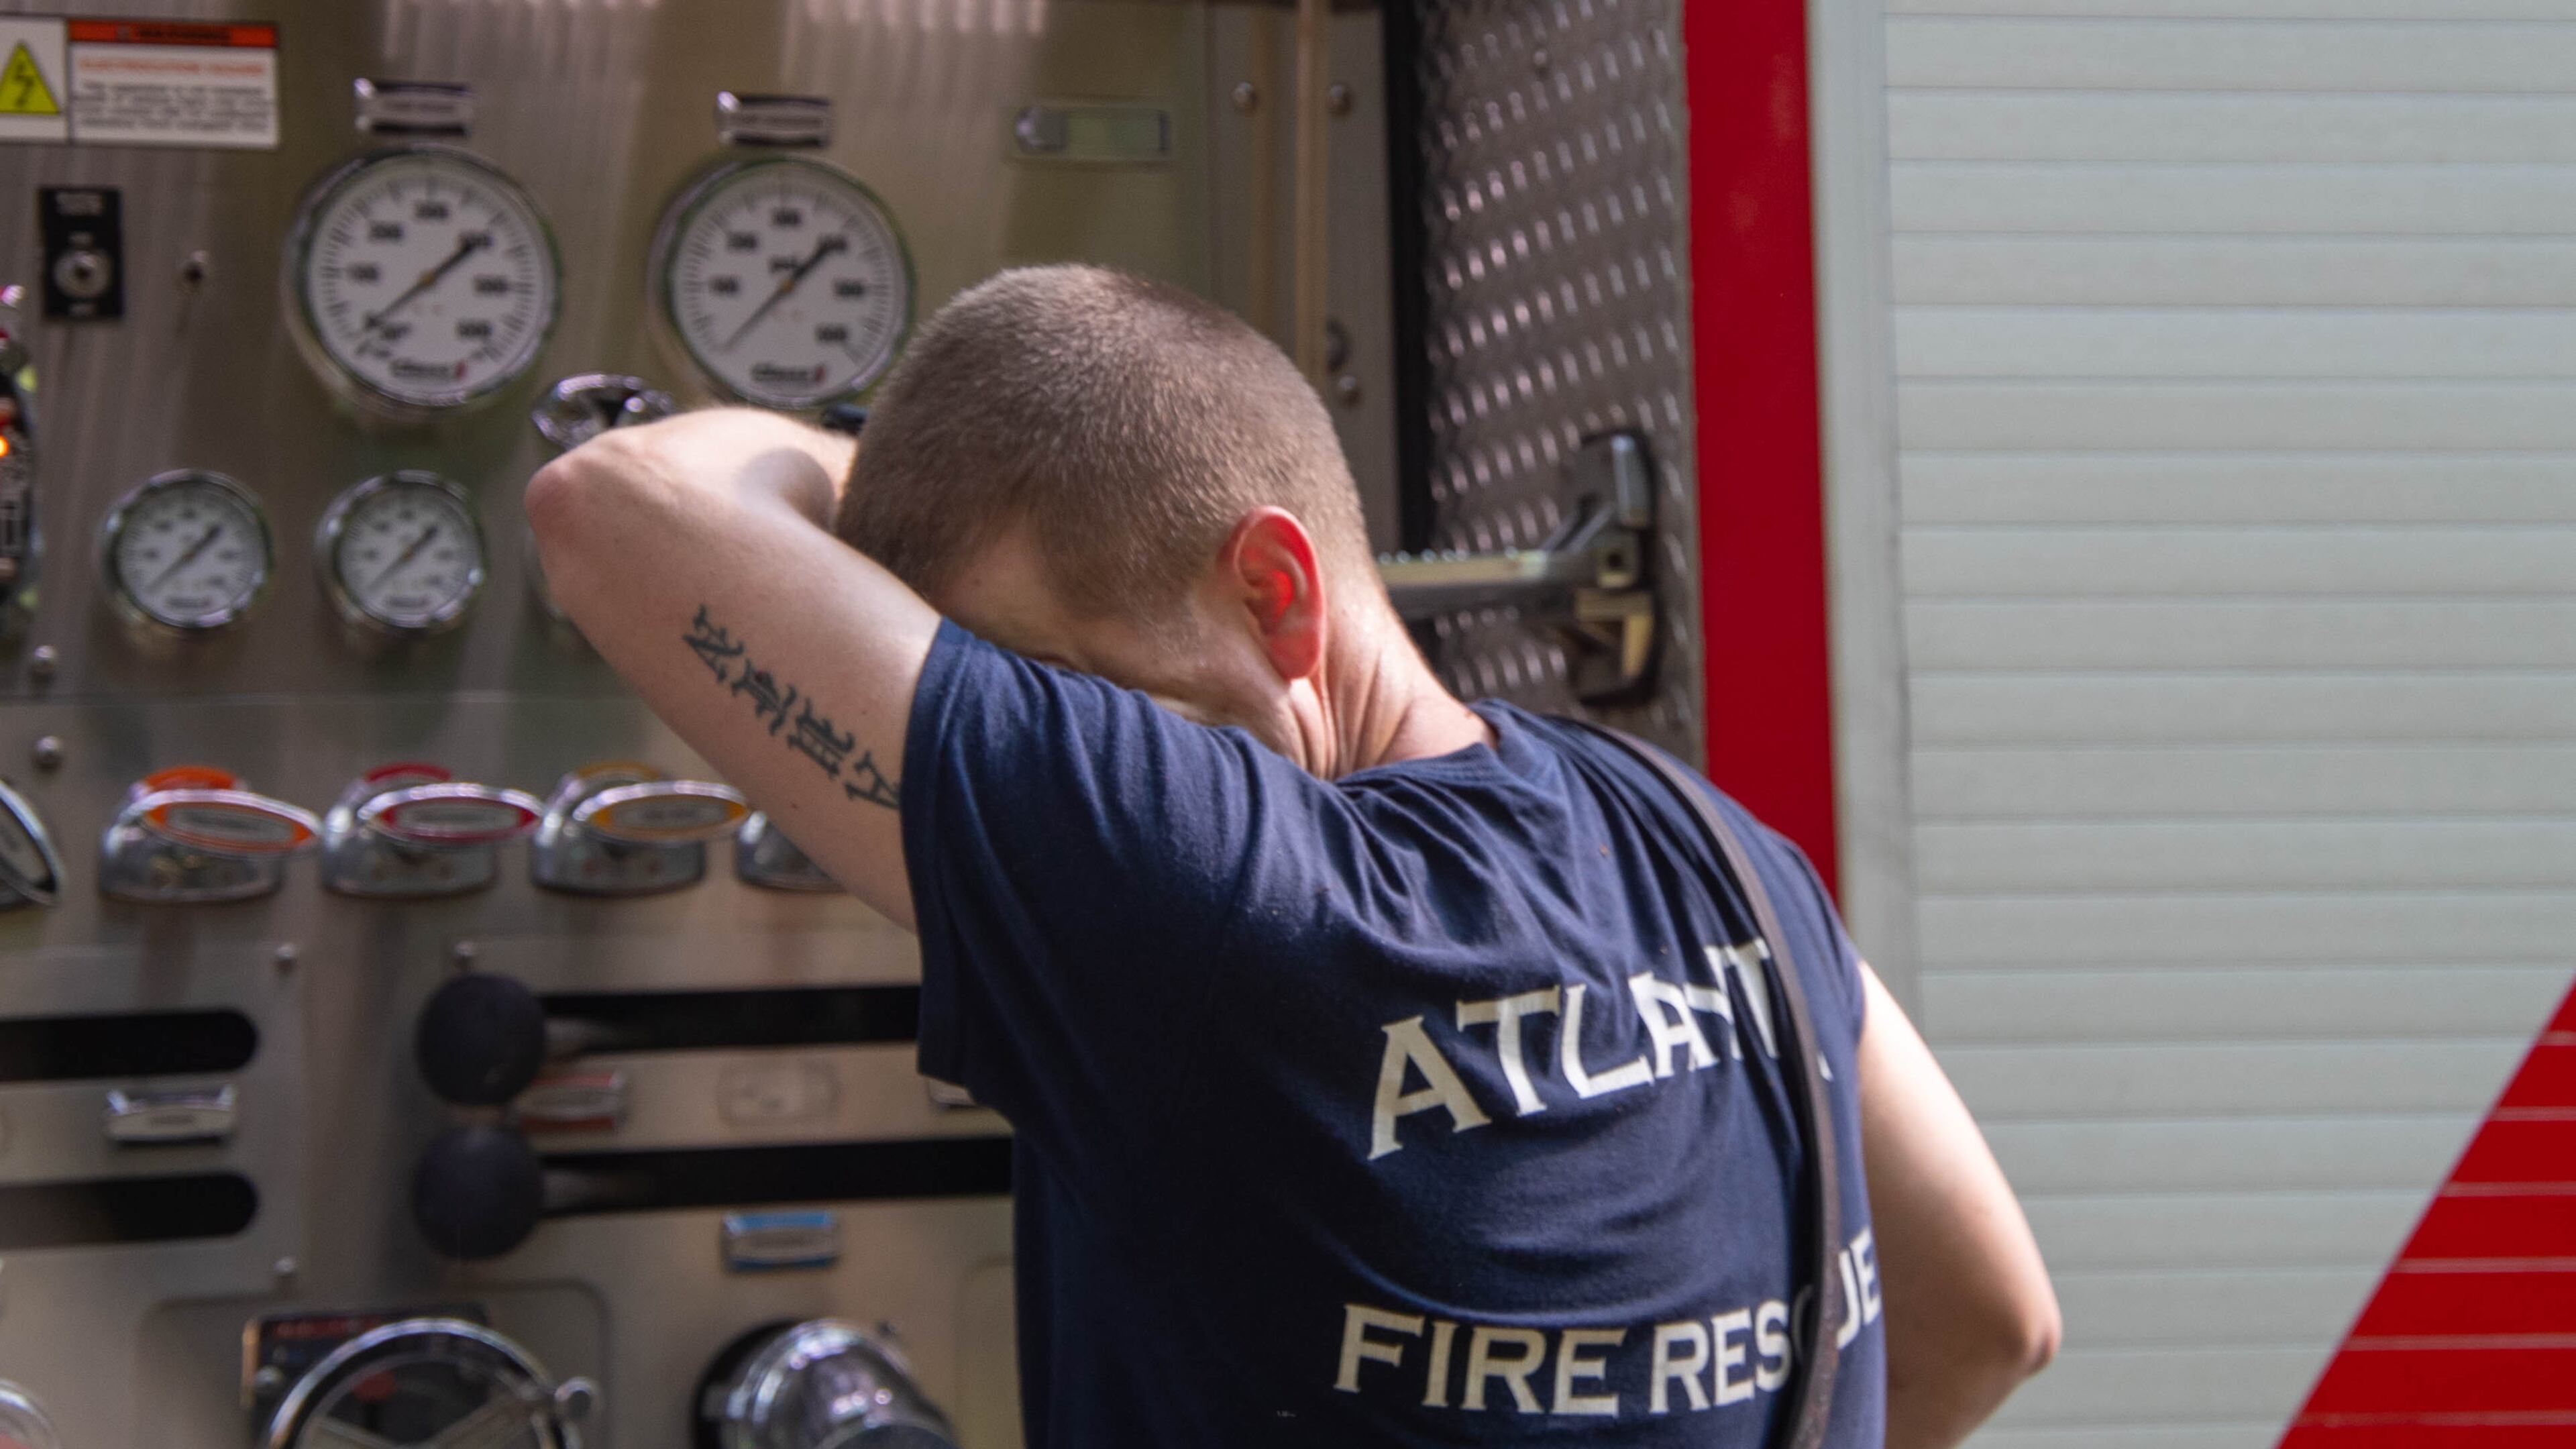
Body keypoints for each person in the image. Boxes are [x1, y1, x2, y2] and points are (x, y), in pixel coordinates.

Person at [527, 264, 2058, 1448]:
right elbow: (1991, 1320)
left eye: (1054, 695)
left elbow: (614, 503)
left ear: (1276, 592)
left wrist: (860, 475)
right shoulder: (1717, 845)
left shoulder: (1215, 886)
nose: (1048, 748)